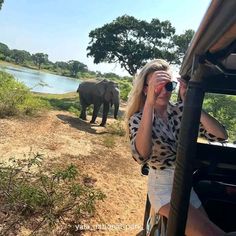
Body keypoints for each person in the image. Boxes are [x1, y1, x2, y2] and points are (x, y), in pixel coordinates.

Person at [125, 59, 228, 236]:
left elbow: (220, 135)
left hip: (185, 184)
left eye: (169, 86)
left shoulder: (181, 111)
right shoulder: (138, 119)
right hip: (163, 189)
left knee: (212, 231)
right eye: (157, 86)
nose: (164, 91)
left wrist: (192, 105)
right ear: (145, 89)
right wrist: (150, 103)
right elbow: (141, 155)